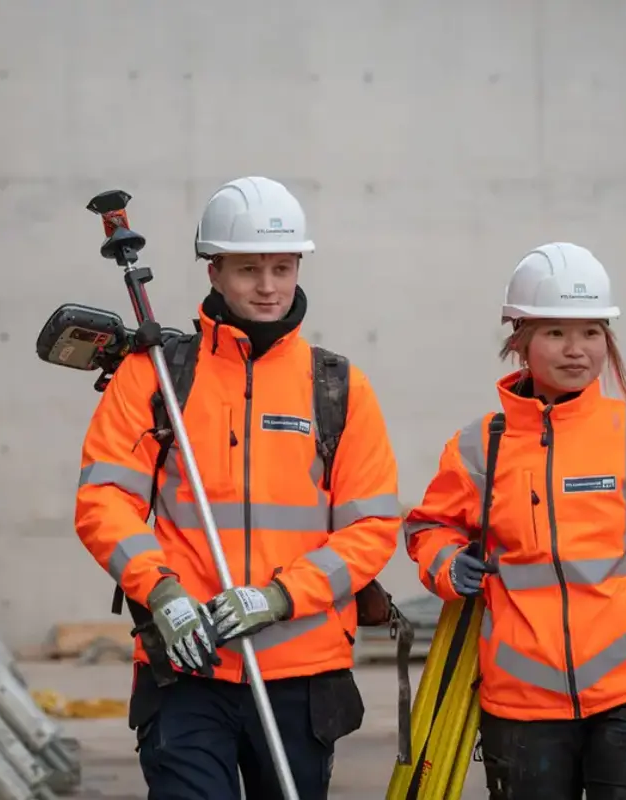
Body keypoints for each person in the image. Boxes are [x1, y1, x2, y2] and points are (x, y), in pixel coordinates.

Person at [74, 176, 402, 799]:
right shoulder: (159, 377)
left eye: (282, 267)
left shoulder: (337, 387)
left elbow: (371, 529)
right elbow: (103, 502)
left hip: (301, 675)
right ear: (214, 271)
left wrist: (280, 596)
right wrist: (162, 592)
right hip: (186, 667)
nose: (269, 285)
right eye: (249, 268)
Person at [404, 241, 626, 799]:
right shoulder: (480, 447)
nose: (576, 350)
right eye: (555, 332)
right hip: (522, 706)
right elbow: (427, 529)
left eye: (592, 332)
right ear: (520, 342)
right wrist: (446, 564)